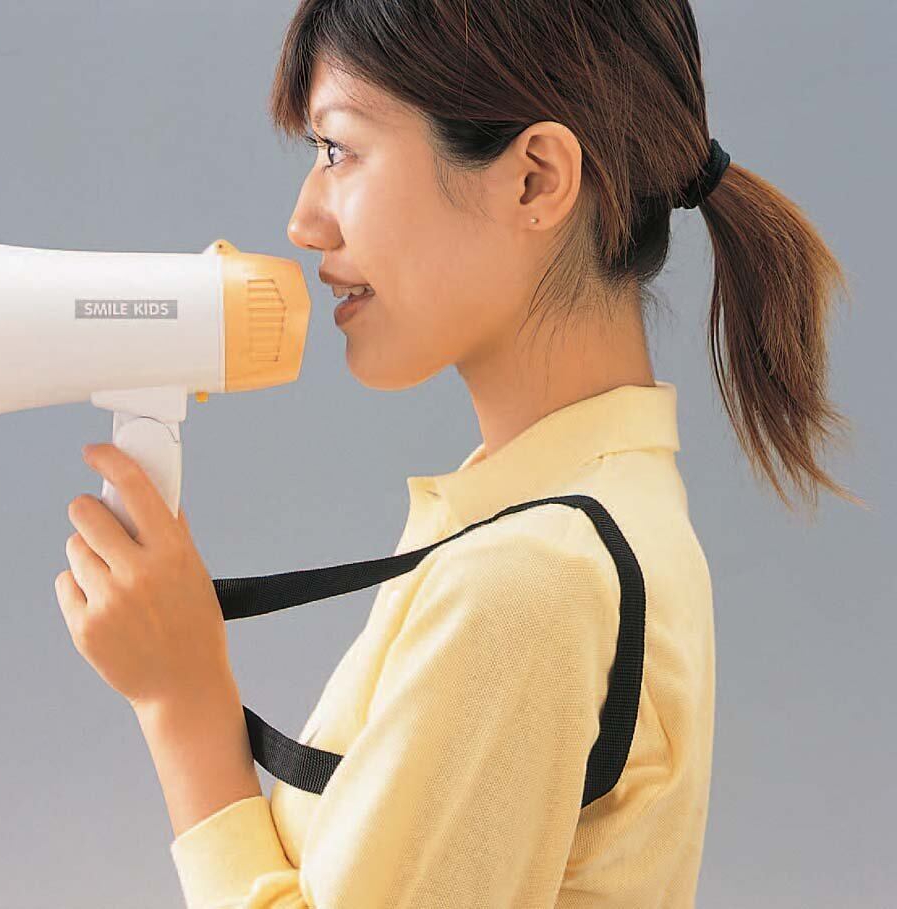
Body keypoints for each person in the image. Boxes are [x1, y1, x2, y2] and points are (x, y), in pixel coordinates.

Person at [159, 2, 866, 906]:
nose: (304, 222)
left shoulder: (531, 578)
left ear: (536, 179)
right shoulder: (585, 515)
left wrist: (181, 705)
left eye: (339, 149)